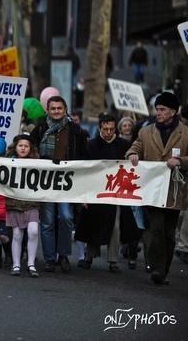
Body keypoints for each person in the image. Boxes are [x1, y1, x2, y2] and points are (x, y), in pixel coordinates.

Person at [126, 92, 188, 285]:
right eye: (157, 109)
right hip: (151, 188)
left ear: (173, 111)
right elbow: (134, 147)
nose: (158, 113)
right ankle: (157, 267)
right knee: (156, 228)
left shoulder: (186, 133)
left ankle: (163, 269)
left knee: (169, 232)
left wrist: (180, 161)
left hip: (174, 190)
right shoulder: (146, 131)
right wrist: (132, 154)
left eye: (162, 109)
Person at [30, 95, 88, 272]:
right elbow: (30, 151)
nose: (56, 111)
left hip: (67, 182)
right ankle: (49, 258)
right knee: (47, 222)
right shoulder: (40, 128)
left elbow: (85, 157)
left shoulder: (76, 130)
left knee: (66, 217)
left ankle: (62, 255)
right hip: (45, 181)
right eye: (53, 108)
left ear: (65, 110)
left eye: (59, 108)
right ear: (48, 110)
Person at [74, 114, 131, 273]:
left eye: (112, 129)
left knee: (115, 226)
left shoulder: (123, 145)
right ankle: (89, 256)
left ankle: (113, 260)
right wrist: (84, 195)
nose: (108, 132)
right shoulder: (90, 145)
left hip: (116, 192)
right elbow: (84, 171)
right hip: (95, 191)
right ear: (100, 128)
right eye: (105, 129)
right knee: (94, 223)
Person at [5, 135, 40, 277]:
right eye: (20, 146)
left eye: (26, 146)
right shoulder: (7, 161)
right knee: (17, 234)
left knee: (33, 231)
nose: (23, 148)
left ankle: (31, 263)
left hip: (32, 202)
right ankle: (16, 264)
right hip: (14, 202)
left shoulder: (38, 163)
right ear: (15, 147)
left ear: (30, 148)